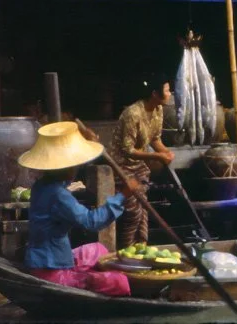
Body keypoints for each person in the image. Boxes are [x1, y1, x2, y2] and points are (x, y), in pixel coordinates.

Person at [19, 121, 139, 296]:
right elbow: (92, 221)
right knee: (119, 282)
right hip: (50, 270)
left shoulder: (42, 185)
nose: (77, 168)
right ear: (66, 168)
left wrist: (90, 144)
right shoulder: (59, 195)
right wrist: (123, 195)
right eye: (74, 165)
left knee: (100, 250)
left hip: (48, 256)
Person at [106, 73, 175, 249]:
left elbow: (155, 138)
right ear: (154, 93)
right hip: (121, 168)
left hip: (139, 168)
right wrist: (157, 157)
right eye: (167, 90)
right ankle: (126, 251)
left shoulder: (158, 110)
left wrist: (165, 152)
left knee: (144, 211)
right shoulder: (133, 113)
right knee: (133, 214)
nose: (169, 93)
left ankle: (141, 248)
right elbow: (127, 150)